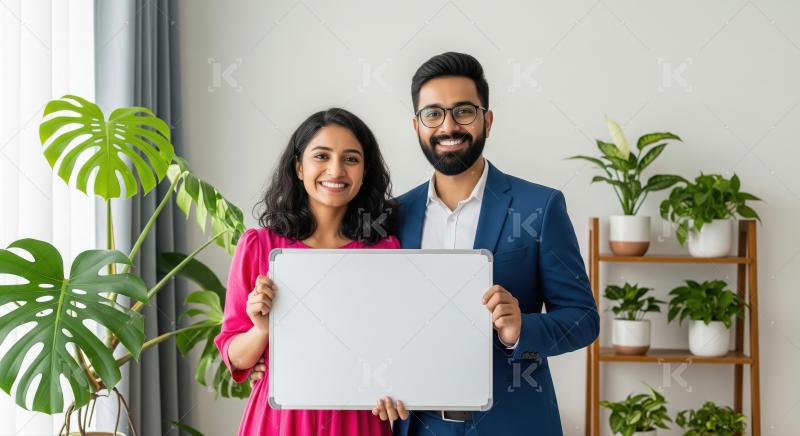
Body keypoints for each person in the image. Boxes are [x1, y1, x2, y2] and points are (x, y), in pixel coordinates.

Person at [250, 52, 600, 435]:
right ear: (417, 126)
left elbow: (583, 320)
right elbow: (357, 321)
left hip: (513, 423)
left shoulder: (539, 206)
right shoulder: (389, 219)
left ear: (488, 120)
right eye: (433, 114)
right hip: (414, 426)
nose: (448, 126)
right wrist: (278, 359)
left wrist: (521, 330)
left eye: (464, 111)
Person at [214, 108, 409, 436]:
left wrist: (395, 386)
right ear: (299, 167)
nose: (336, 169)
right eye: (321, 156)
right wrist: (262, 330)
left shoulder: (385, 251)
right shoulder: (259, 245)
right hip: (281, 420)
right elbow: (235, 356)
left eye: (351, 159)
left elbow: (397, 347)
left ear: (364, 172)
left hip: (358, 419)